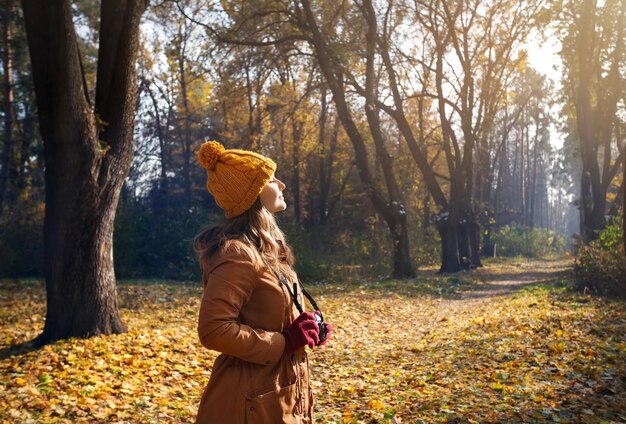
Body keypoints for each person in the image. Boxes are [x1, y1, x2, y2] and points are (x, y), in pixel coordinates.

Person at [193, 140, 332, 423]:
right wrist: (284, 341)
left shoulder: (265, 250)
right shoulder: (237, 254)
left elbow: (271, 316)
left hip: (278, 396)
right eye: (270, 178)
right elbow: (214, 329)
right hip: (246, 404)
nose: (280, 184)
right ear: (252, 195)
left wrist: (306, 328)